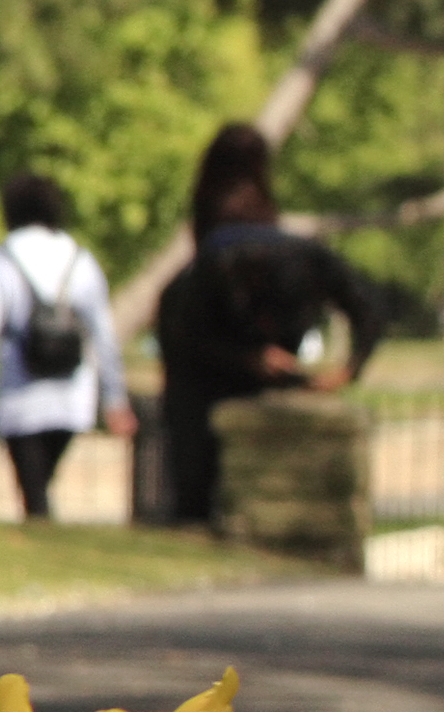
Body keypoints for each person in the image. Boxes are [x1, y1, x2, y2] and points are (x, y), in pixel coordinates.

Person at [151, 124, 386, 527]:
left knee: (199, 501)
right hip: (255, 388)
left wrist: (249, 358)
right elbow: (369, 308)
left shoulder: (209, 261)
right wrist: (348, 369)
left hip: (204, 400)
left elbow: (186, 334)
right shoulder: (294, 253)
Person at [0, 172, 132, 521]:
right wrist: (115, 398)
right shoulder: (80, 259)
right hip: (73, 392)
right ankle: (43, 526)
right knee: (41, 484)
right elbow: (103, 335)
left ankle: (40, 529)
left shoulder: (1, 260)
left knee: (33, 487)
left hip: (22, 392)